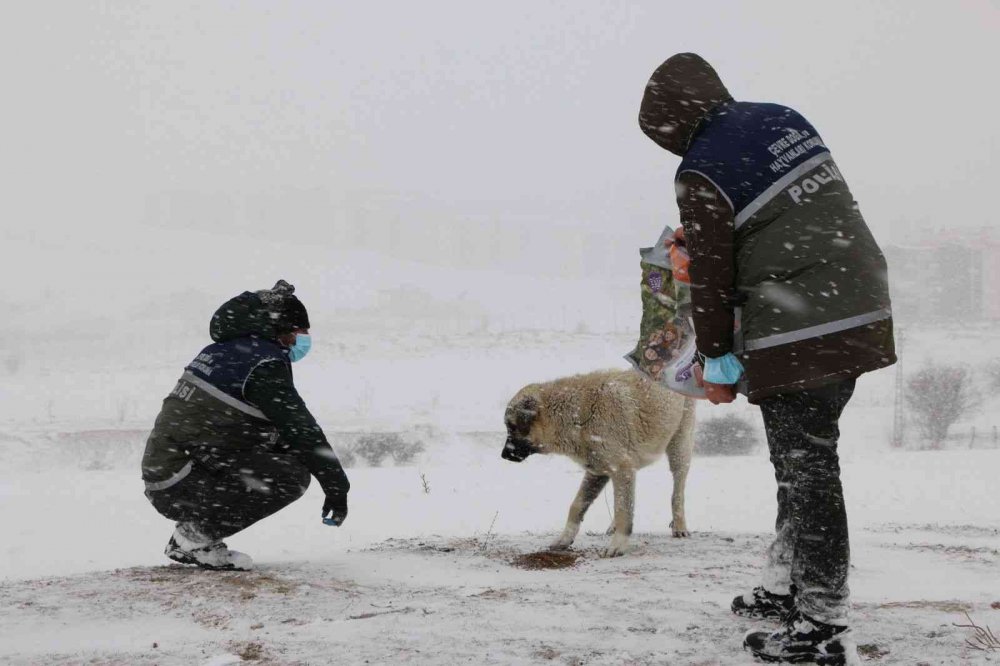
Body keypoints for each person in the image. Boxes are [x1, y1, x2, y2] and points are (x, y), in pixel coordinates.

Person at [638, 54, 896, 663]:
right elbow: (786, 218)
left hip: (799, 324)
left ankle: (823, 627)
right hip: (856, 304)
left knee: (808, 471)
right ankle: (785, 588)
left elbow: (711, 275)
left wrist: (717, 359)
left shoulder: (702, 168)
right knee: (801, 459)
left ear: (673, 121)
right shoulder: (783, 119)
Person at [141, 280, 350, 571]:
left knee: (284, 453)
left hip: (170, 474)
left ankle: (193, 537)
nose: (303, 339)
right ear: (281, 329)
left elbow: (274, 431)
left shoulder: (225, 352)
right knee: (291, 476)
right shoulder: (261, 363)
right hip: (181, 480)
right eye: (300, 331)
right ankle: (193, 539)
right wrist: (337, 487)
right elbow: (301, 428)